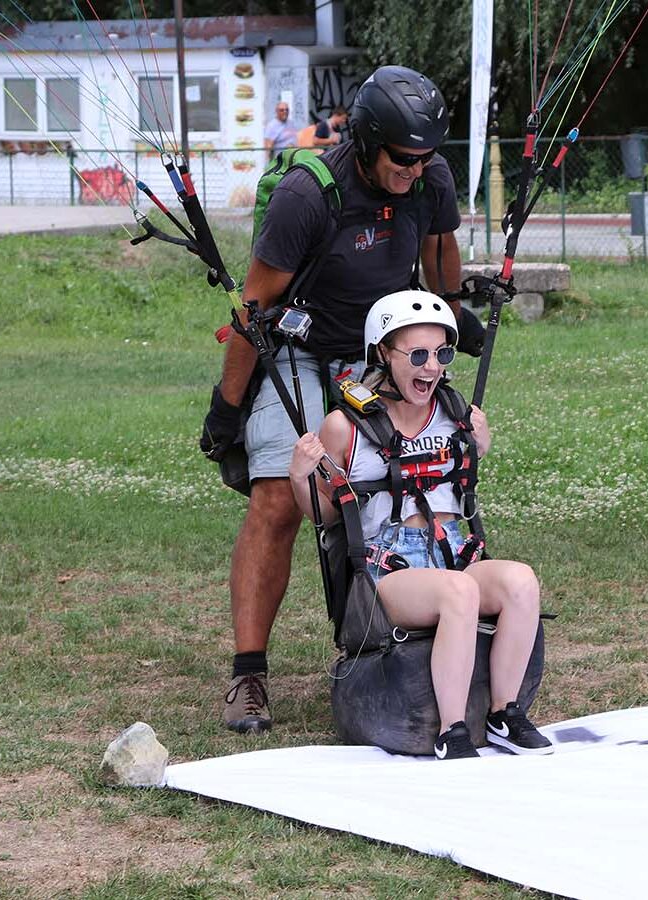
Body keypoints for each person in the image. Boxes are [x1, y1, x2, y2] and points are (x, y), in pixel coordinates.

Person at [199, 66, 484, 734]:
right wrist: (227, 406)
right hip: (299, 346)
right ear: (365, 141)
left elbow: (442, 256)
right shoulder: (306, 196)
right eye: (402, 157)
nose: (415, 169)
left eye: (426, 157)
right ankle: (248, 675)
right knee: (279, 497)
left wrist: (446, 321)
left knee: (415, 473)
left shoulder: (429, 179)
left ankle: (413, 631)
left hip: (376, 356)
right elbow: (254, 308)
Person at [288, 292, 553, 759]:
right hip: (387, 571)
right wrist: (299, 475)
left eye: (441, 354)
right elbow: (326, 516)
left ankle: (503, 713)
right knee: (459, 593)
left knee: (520, 582)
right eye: (417, 355)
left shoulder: (456, 416)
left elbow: (463, 474)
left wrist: (480, 443)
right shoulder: (344, 427)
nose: (431, 368)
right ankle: (452, 731)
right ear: (384, 355)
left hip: (452, 550)